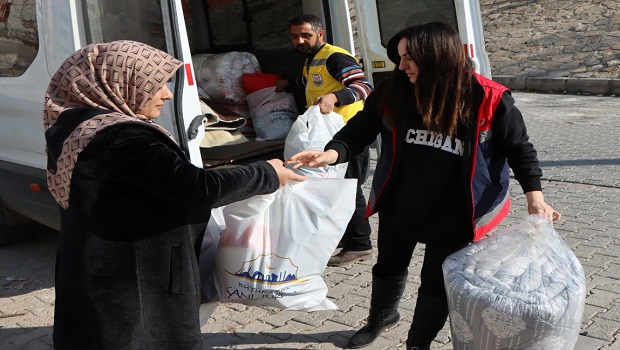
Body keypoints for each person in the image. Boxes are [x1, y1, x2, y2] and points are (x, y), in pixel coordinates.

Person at [287, 22, 561, 350]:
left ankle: (418, 341)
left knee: (435, 283)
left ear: (438, 57)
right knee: (388, 267)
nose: (401, 66)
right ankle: (381, 317)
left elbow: (519, 148)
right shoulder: (396, 89)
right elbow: (361, 128)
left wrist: (535, 197)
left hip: (456, 211)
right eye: (400, 58)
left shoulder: (488, 98)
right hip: (400, 201)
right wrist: (331, 153)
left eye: (409, 58)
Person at [44, 40, 305, 350]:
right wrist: (267, 174)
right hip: (134, 286)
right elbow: (198, 188)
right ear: (122, 83)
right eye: (156, 85)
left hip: (97, 269)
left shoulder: (76, 124)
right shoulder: (124, 137)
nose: (167, 94)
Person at [276, 14, 374, 267]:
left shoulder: (335, 57)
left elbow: (363, 86)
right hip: (329, 136)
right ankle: (347, 235)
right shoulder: (312, 60)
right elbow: (310, 84)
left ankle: (361, 244)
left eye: (305, 35)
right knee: (336, 187)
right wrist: (287, 83)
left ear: (320, 35)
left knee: (350, 188)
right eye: (295, 36)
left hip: (348, 134)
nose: (300, 40)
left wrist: (335, 97)